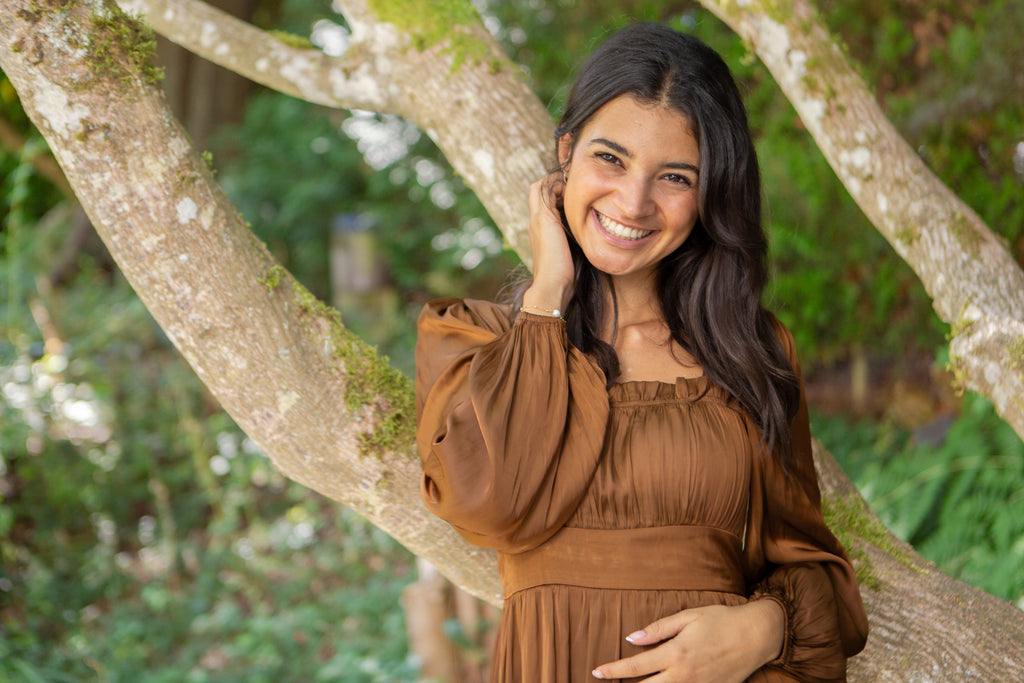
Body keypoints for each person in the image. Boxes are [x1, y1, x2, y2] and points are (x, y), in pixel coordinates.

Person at [414, 21, 868, 683]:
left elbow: (814, 569)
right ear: (565, 152)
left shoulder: (750, 353)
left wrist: (764, 626)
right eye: (611, 158)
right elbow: (492, 501)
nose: (634, 201)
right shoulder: (474, 346)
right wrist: (549, 289)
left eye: (675, 176)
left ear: (710, 191)